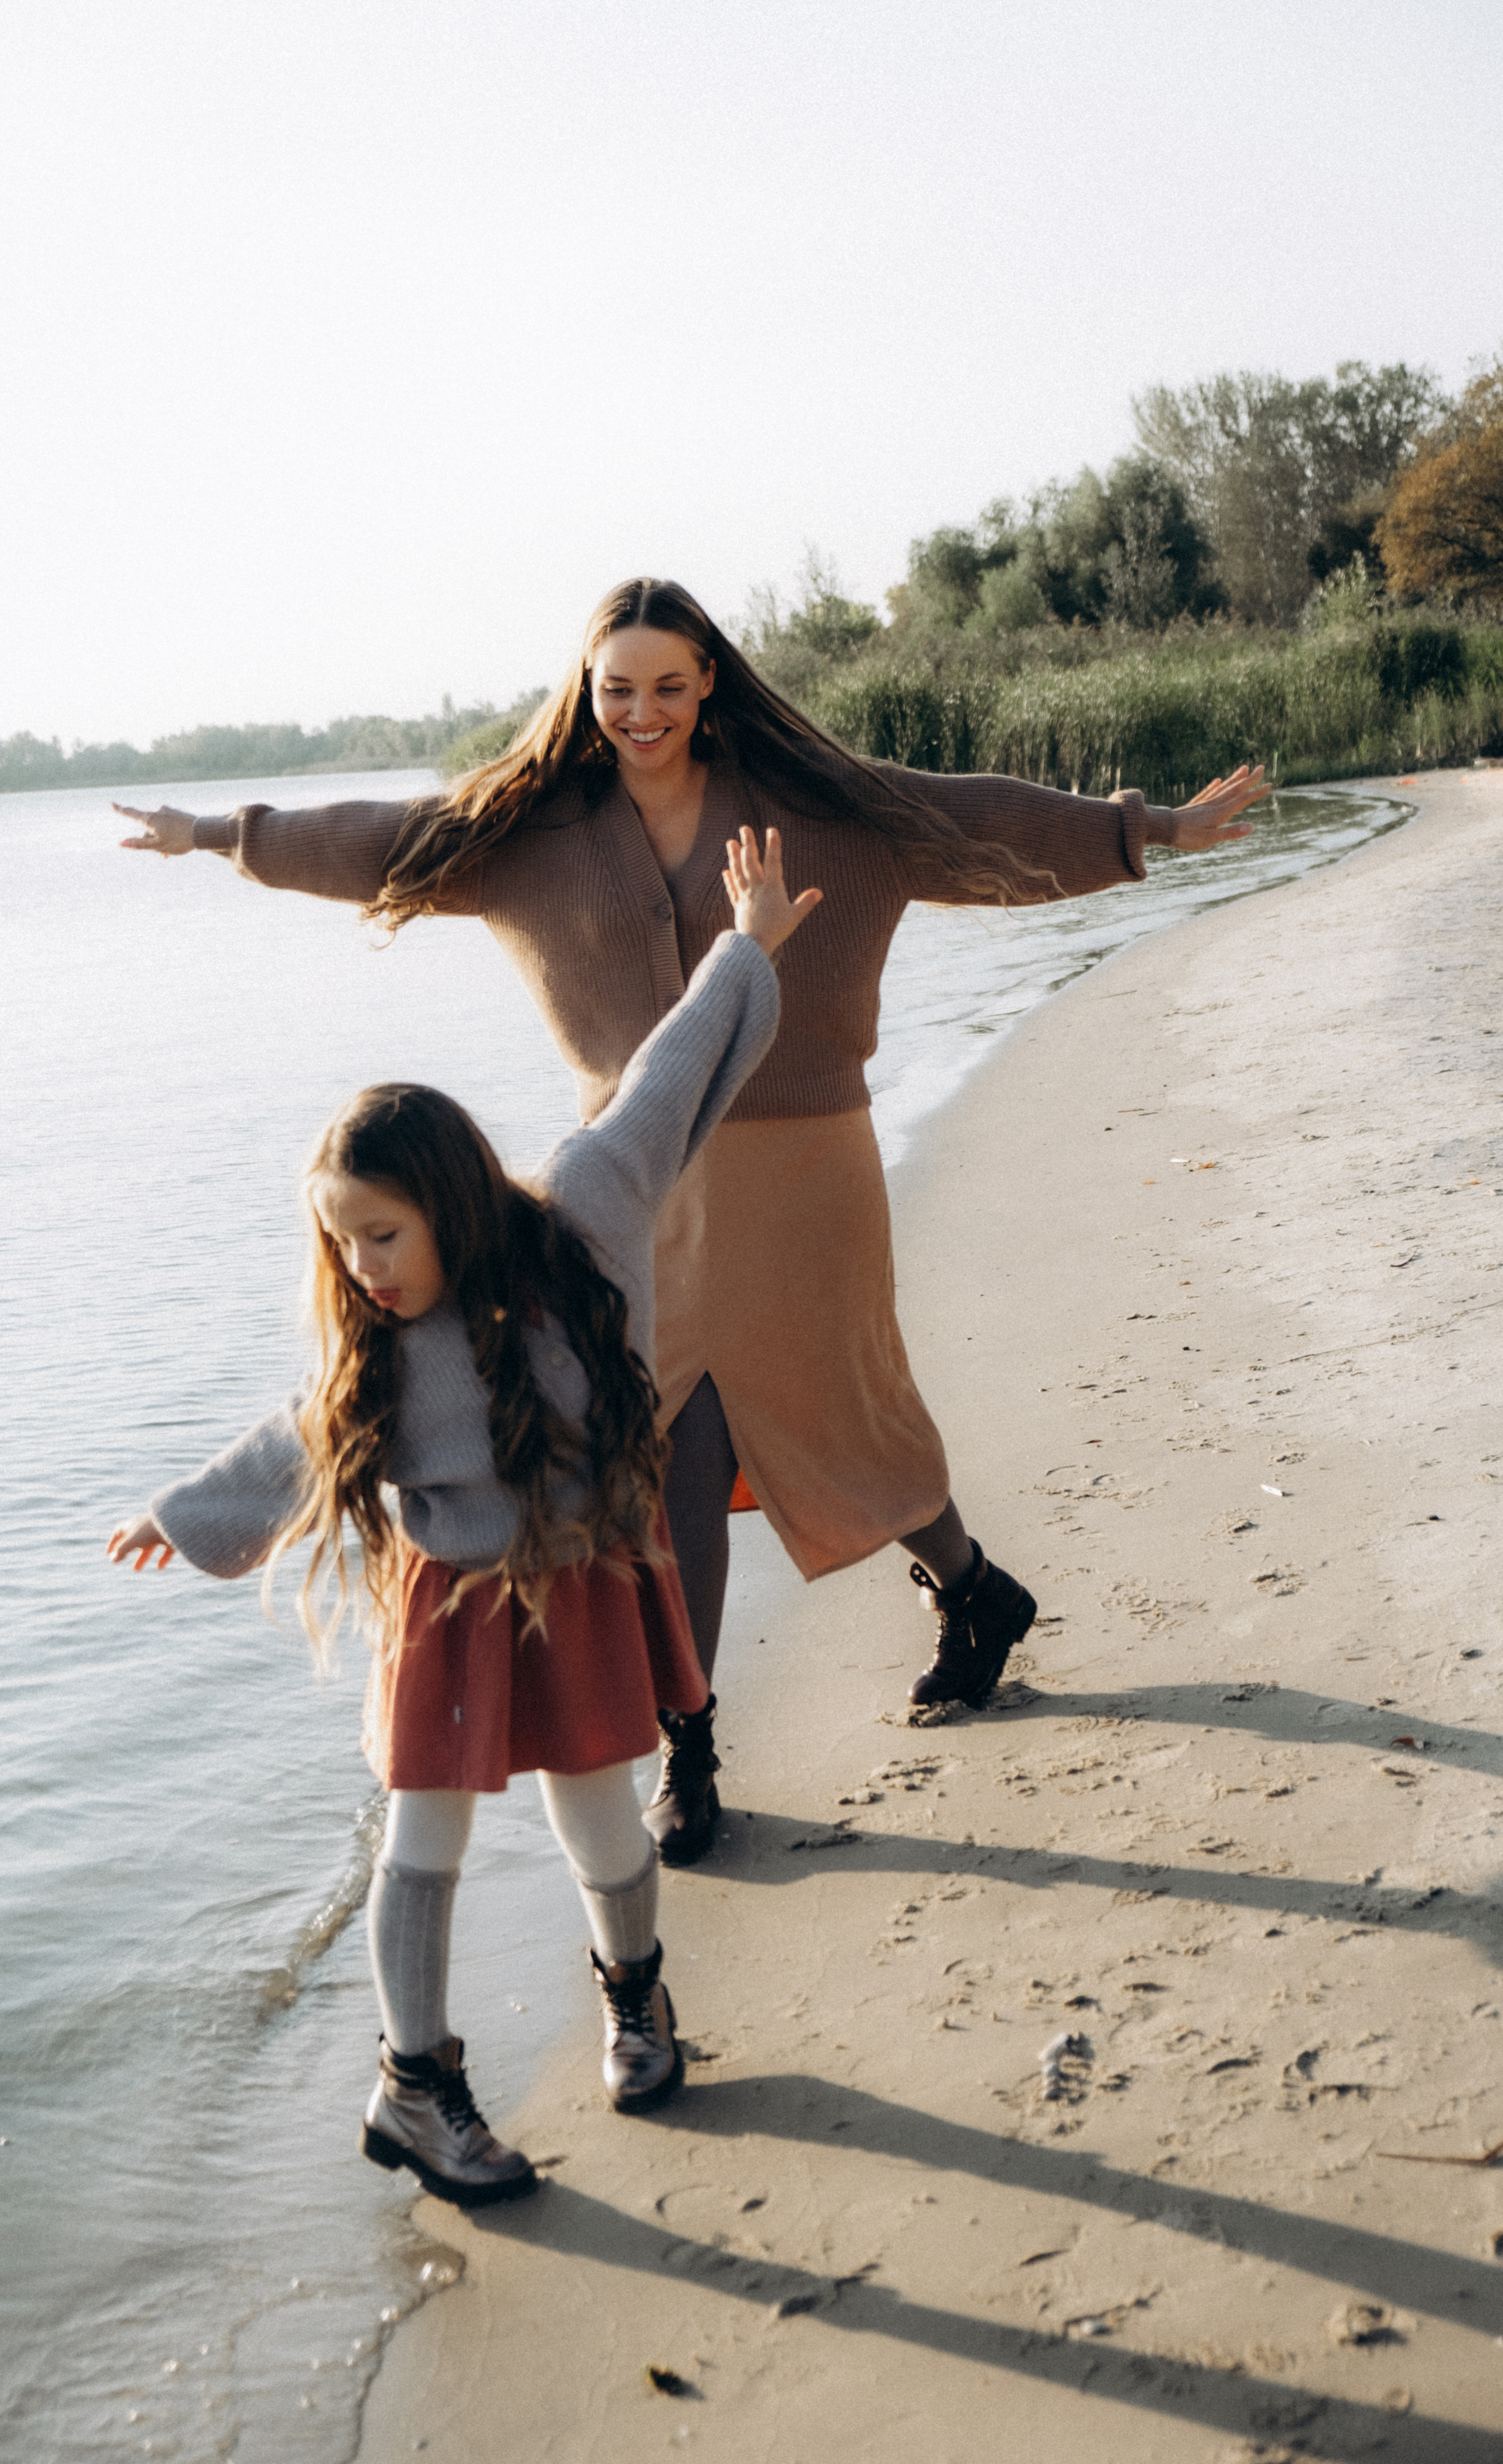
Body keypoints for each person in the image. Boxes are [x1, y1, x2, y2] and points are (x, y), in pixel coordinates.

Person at [117, 576, 1266, 1865]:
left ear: (707, 681)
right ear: (586, 691)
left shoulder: (820, 813)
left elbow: (973, 819)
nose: (642, 711)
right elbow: (386, 837)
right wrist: (222, 832)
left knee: (838, 1414)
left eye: (668, 685)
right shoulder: (527, 833)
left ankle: (970, 1588)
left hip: (802, 1165)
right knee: (664, 1437)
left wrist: (1152, 828)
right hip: (628, 1187)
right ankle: (696, 1747)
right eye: (618, 689)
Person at [106, 826, 817, 2207]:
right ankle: (415, 2085)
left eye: (382, 1232)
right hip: (452, 1605)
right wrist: (181, 1511)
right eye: (339, 1242)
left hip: (583, 1578)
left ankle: (635, 2004)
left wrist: (746, 948)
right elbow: (297, 1440)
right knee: (418, 1845)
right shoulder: (370, 1357)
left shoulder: (585, 1215)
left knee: (603, 1826)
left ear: (448, 1201)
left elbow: (665, 1075)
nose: (361, 1266)